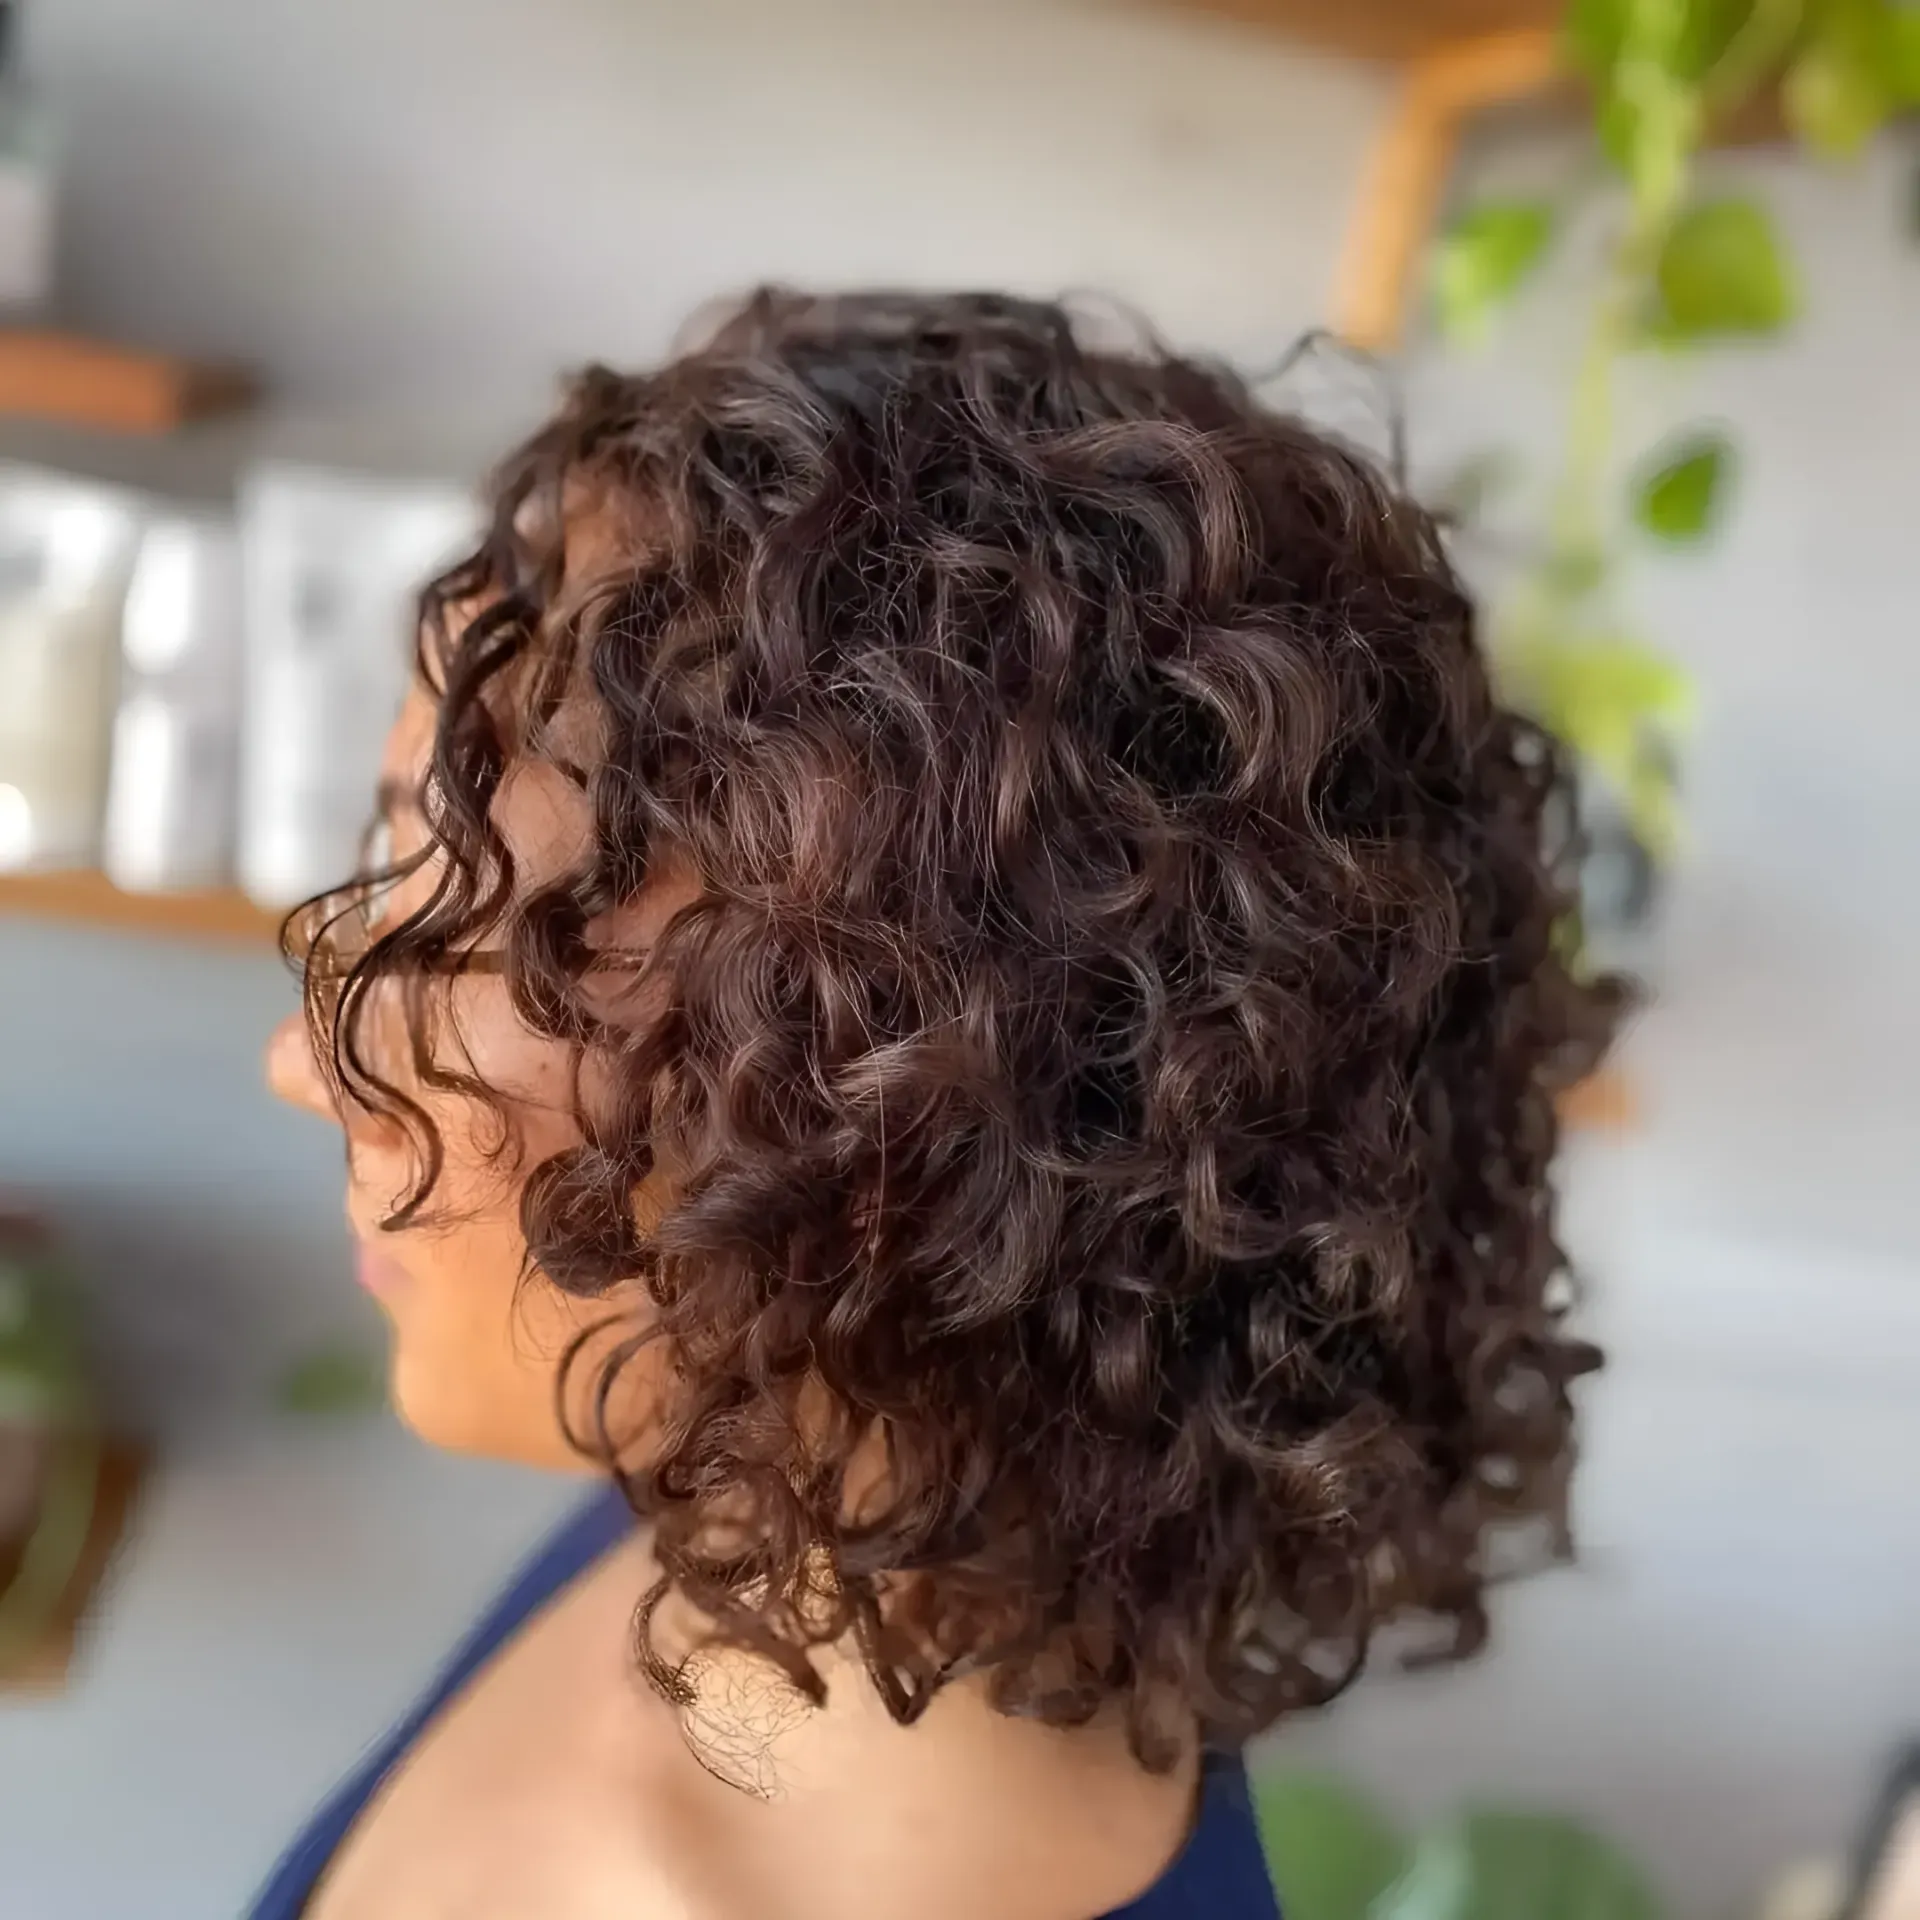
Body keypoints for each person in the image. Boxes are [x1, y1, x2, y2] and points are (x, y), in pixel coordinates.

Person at [258, 289, 1615, 1919]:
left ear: (897, 1101)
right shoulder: (746, 1514)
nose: (306, 1058)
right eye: (406, 841)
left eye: (491, 906)